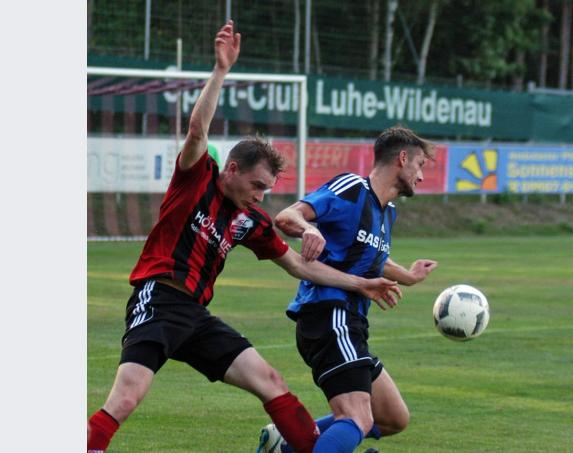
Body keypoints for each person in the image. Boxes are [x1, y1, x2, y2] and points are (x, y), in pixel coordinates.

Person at [86, 21, 401, 453]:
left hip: (196, 317)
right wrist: (221, 71)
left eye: (266, 190)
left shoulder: (250, 220)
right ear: (231, 169)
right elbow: (197, 131)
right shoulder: (196, 179)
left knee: (270, 381)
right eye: (256, 186)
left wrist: (361, 283)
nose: (260, 195)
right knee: (125, 399)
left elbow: (299, 266)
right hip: (158, 301)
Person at [259, 126, 439, 453]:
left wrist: (408, 276)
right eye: (420, 165)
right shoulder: (353, 189)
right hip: (329, 314)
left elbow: (371, 256)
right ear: (402, 158)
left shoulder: (387, 213)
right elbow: (287, 216)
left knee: (392, 417)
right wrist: (309, 229)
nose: (422, 176)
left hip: (352, 322)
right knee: (357, 416)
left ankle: (285, 445)